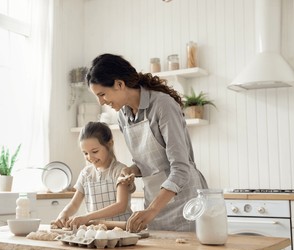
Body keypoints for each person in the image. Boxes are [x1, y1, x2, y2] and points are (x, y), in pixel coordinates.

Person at [86, 53, 208, 232]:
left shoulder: (162, 105)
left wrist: (151, 210)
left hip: (185, 203)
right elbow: (147, 161)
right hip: (154, 203)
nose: (101, 102)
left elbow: (181, 169)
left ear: (119, 84)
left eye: (102, 94)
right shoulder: (123, 116)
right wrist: (131, 170)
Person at [53, 121, 136, 229]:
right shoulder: (86, 174)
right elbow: (74, 204)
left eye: (95, 151)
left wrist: (87, 217)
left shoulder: (120, 171)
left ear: (110, 144)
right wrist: (64, 214)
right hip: (96, 232)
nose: (90, 157)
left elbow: (121, 205)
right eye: (85, 153)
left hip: (120, 230)